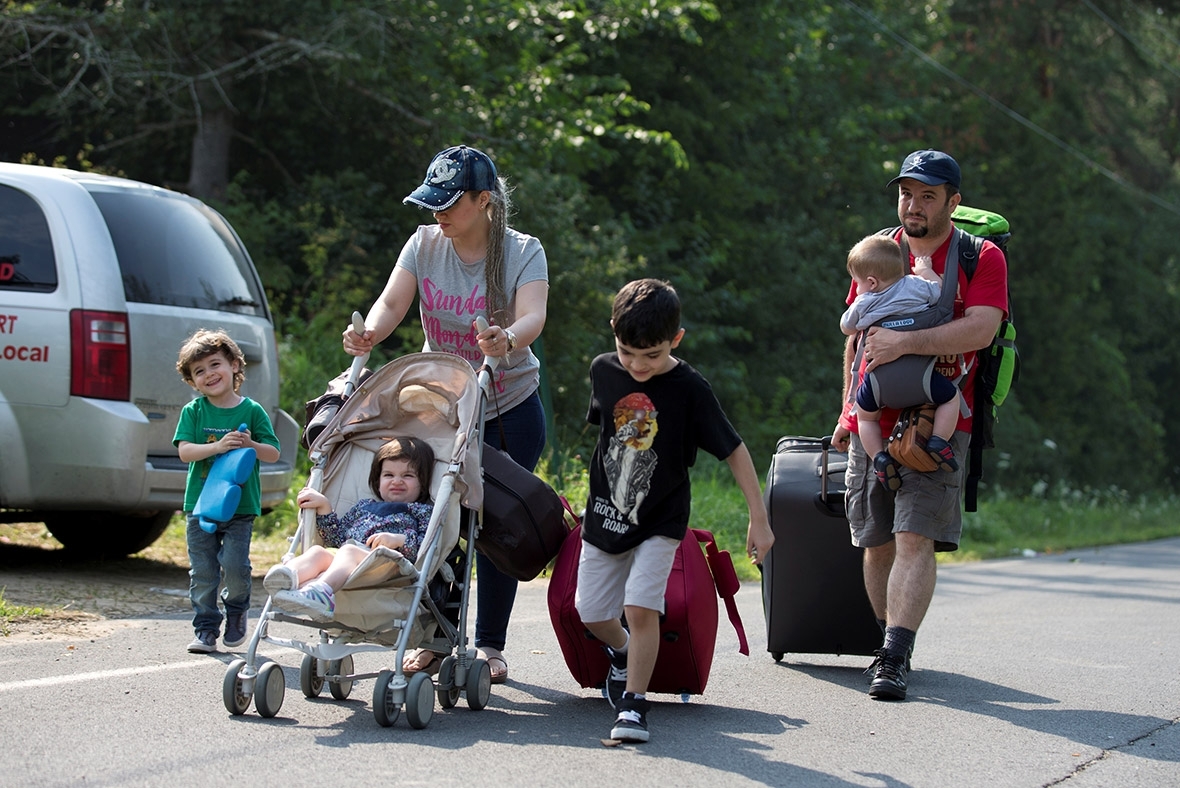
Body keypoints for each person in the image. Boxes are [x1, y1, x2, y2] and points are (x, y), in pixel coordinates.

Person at [343, 144, 548, 684]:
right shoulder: (424, 244)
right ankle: (435, 636)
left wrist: (507, 339)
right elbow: (391, 305)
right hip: (450, 410)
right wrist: (370, 333)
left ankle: (490, 646)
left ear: (484, 201)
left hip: (510, 407)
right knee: (439, 522)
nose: (438, 214)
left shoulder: (523, 250)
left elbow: (533, 315)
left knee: (493, 526)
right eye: (432, 203)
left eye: (450, 203)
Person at [832, 150, 1008, 700]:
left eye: (928, 195)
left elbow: (980, 329)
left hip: (938, 418)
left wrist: (905, 343)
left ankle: (893, 655)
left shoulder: (982, 258)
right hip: (873, 420)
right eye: (907, 192)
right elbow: (855, 336)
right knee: (877, 539)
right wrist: (846, 410)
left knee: (914, 537)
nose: (913, 204)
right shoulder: (879, 251)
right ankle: (890, 640)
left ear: (953, 202)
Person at [577, 278, 775, 743]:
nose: (638, 365)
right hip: (605, 516)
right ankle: (624, 654)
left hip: (661, 520)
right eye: (628, 352)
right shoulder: (603, 370)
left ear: (676, 340)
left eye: (653, 354)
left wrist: (759, 518)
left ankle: (634, 707)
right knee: (590, 613)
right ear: (613, 333)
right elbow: (605, 435)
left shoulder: (690, 388)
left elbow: (734, 450)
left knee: (641, 606)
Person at [174, 329, 281, 654]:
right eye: (199, 371)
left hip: (241, 507)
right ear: (192, 381)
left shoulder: (251, 410)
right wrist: (218, 446)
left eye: (214, 364)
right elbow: (185, 451)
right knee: (203, 571)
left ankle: (236, 611)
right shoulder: (194, 412)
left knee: (235, 567)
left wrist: (251, 444)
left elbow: (273, 453)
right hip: (200, 506)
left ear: (234, 365)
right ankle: (206, 629)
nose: (209, 374)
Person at [264, 437, 435, 621]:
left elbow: (424, 548)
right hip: (347, 557)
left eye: (407, 476)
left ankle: (322, 592)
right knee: (318, 552)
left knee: (349, 551)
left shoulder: (421, 512)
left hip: (386, 565)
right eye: (388, 475)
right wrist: (325, 508)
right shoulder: (363, 506)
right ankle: (288, 578)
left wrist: (398, 540)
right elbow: (337, 539)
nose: (397, 481)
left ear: (423, 482)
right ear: (377, 481)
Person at [839, 233, 962, 491]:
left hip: (879, 384)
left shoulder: (864, 301)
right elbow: (938, 291)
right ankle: (939, 440)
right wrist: (925, 270)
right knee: (951, 398)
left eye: (857, 282)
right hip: (922, 380)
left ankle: (879, 458)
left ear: (871, 282)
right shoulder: (915, 286)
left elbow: (847, 328)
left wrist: (859, 306)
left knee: (866, 419)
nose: (856, 287)